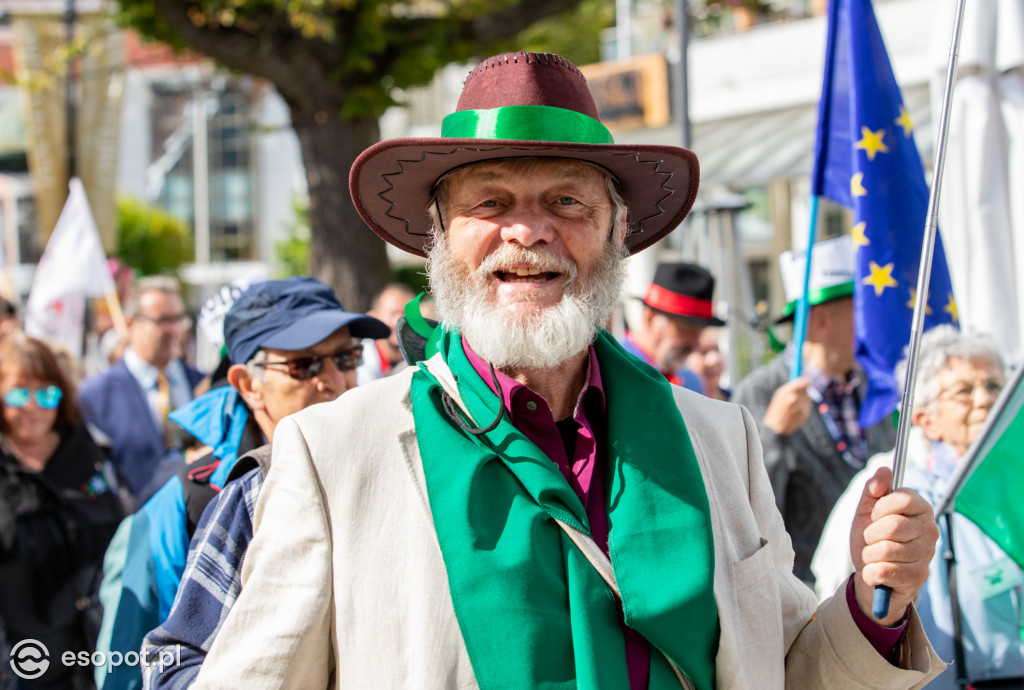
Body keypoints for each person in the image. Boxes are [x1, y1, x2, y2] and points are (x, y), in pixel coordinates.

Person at [190, 52, 943, 689]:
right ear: (439, 240)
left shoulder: (721, 438)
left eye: (566, 201)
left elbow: (783, 670)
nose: (528, 231)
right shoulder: (333, 454)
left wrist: (875, 604)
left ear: (616, 234)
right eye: (492, 201)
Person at [94, 277, 387, 690]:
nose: (333, 381)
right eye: (304, 365)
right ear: (249, 385)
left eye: (346, 357)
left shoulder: (384, 465)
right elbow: (125, 669)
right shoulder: (185, 503)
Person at [813, 325, 1022, 688]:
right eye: (964, 391)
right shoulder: (897, 489)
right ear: (926, 419)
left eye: (993, 386)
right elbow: (840, 592)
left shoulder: (1014, 482)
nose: (985, 400)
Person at [732, 235, 897, 586]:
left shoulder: (873, 387)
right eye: (861, 311)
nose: (874, 323)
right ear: (820, 320)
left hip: (873, 586)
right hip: (802, 599)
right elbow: (743, 514)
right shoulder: (759, 393)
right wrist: (774, 437)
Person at [0, 334, 124, 689]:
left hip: (89, 653)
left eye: (47, 394)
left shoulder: (87, 454)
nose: (34, 406)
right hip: (18, 659)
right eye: (19, 393)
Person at [79, 277, 205, 505]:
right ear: (130, 325)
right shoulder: (97, 396)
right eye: (163, 320)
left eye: (179, 319)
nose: (174, 330)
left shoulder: (202, 385)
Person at [621, 261, 724, 393]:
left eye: (699, 334)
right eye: (685, 330)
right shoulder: (615, 367)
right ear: (650, 317)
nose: (695, 343)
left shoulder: (691, 381)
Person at [356, 282, 416, 384]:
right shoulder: (360, 366)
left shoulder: (424, 357)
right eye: (393, 314)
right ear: (374, 319)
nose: (400, 321)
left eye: (407, 312)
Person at [686, 327, 730, 401]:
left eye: (717, 350)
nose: (714, 360)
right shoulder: (676, 401)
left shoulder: (737, 400)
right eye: (703, 352)